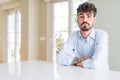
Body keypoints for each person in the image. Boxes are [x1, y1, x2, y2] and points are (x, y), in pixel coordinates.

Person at [57, 2, 109, 70]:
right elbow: (59, 59)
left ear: (94, 20)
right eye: (81, 16)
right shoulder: (73, 36)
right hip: (81, 75)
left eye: (89, 16)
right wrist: (78, 60)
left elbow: (96, 63)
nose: (85, 20)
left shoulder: (102, 35)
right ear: (77, 19)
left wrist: (80, 63)